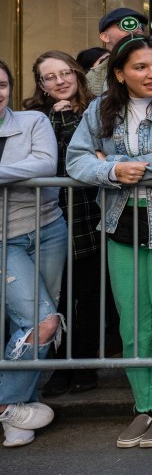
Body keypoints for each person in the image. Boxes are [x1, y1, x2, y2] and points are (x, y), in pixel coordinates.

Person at [66, 36, 152, 448]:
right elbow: (76, 158)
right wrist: (107, 171)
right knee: (133, 320)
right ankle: (144, 405)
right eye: (141, 67)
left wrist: (119, 165)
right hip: (120, 225)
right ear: (121, 74)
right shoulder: (99, 109)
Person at [23, 52, 104, 397]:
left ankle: (85, 365)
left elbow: (83, 157)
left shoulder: (98, 109)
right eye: (50, 77)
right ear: (40, 85)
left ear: (78, 73)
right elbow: (50, 161)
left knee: (87, 295)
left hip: (89, 215)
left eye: (65, 73)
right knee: (54, 297)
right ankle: (58, 366)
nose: (60, 81)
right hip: (47, 219)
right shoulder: (34, 117)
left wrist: (71, 116)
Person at [0, 58, 65, 448]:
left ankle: (20, 408)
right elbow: (28, 168)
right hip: (3, 240)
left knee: (31, 326)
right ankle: (6, 405)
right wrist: (17, 171)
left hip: (48, 229)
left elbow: (45, 163)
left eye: (3, 85)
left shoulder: (32, 122)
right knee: (41, 322)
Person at [86, 7, 149, 94]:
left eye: (140, 25)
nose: (135, 29)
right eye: (125, 24)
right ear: (105, 36)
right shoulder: (93, 77)